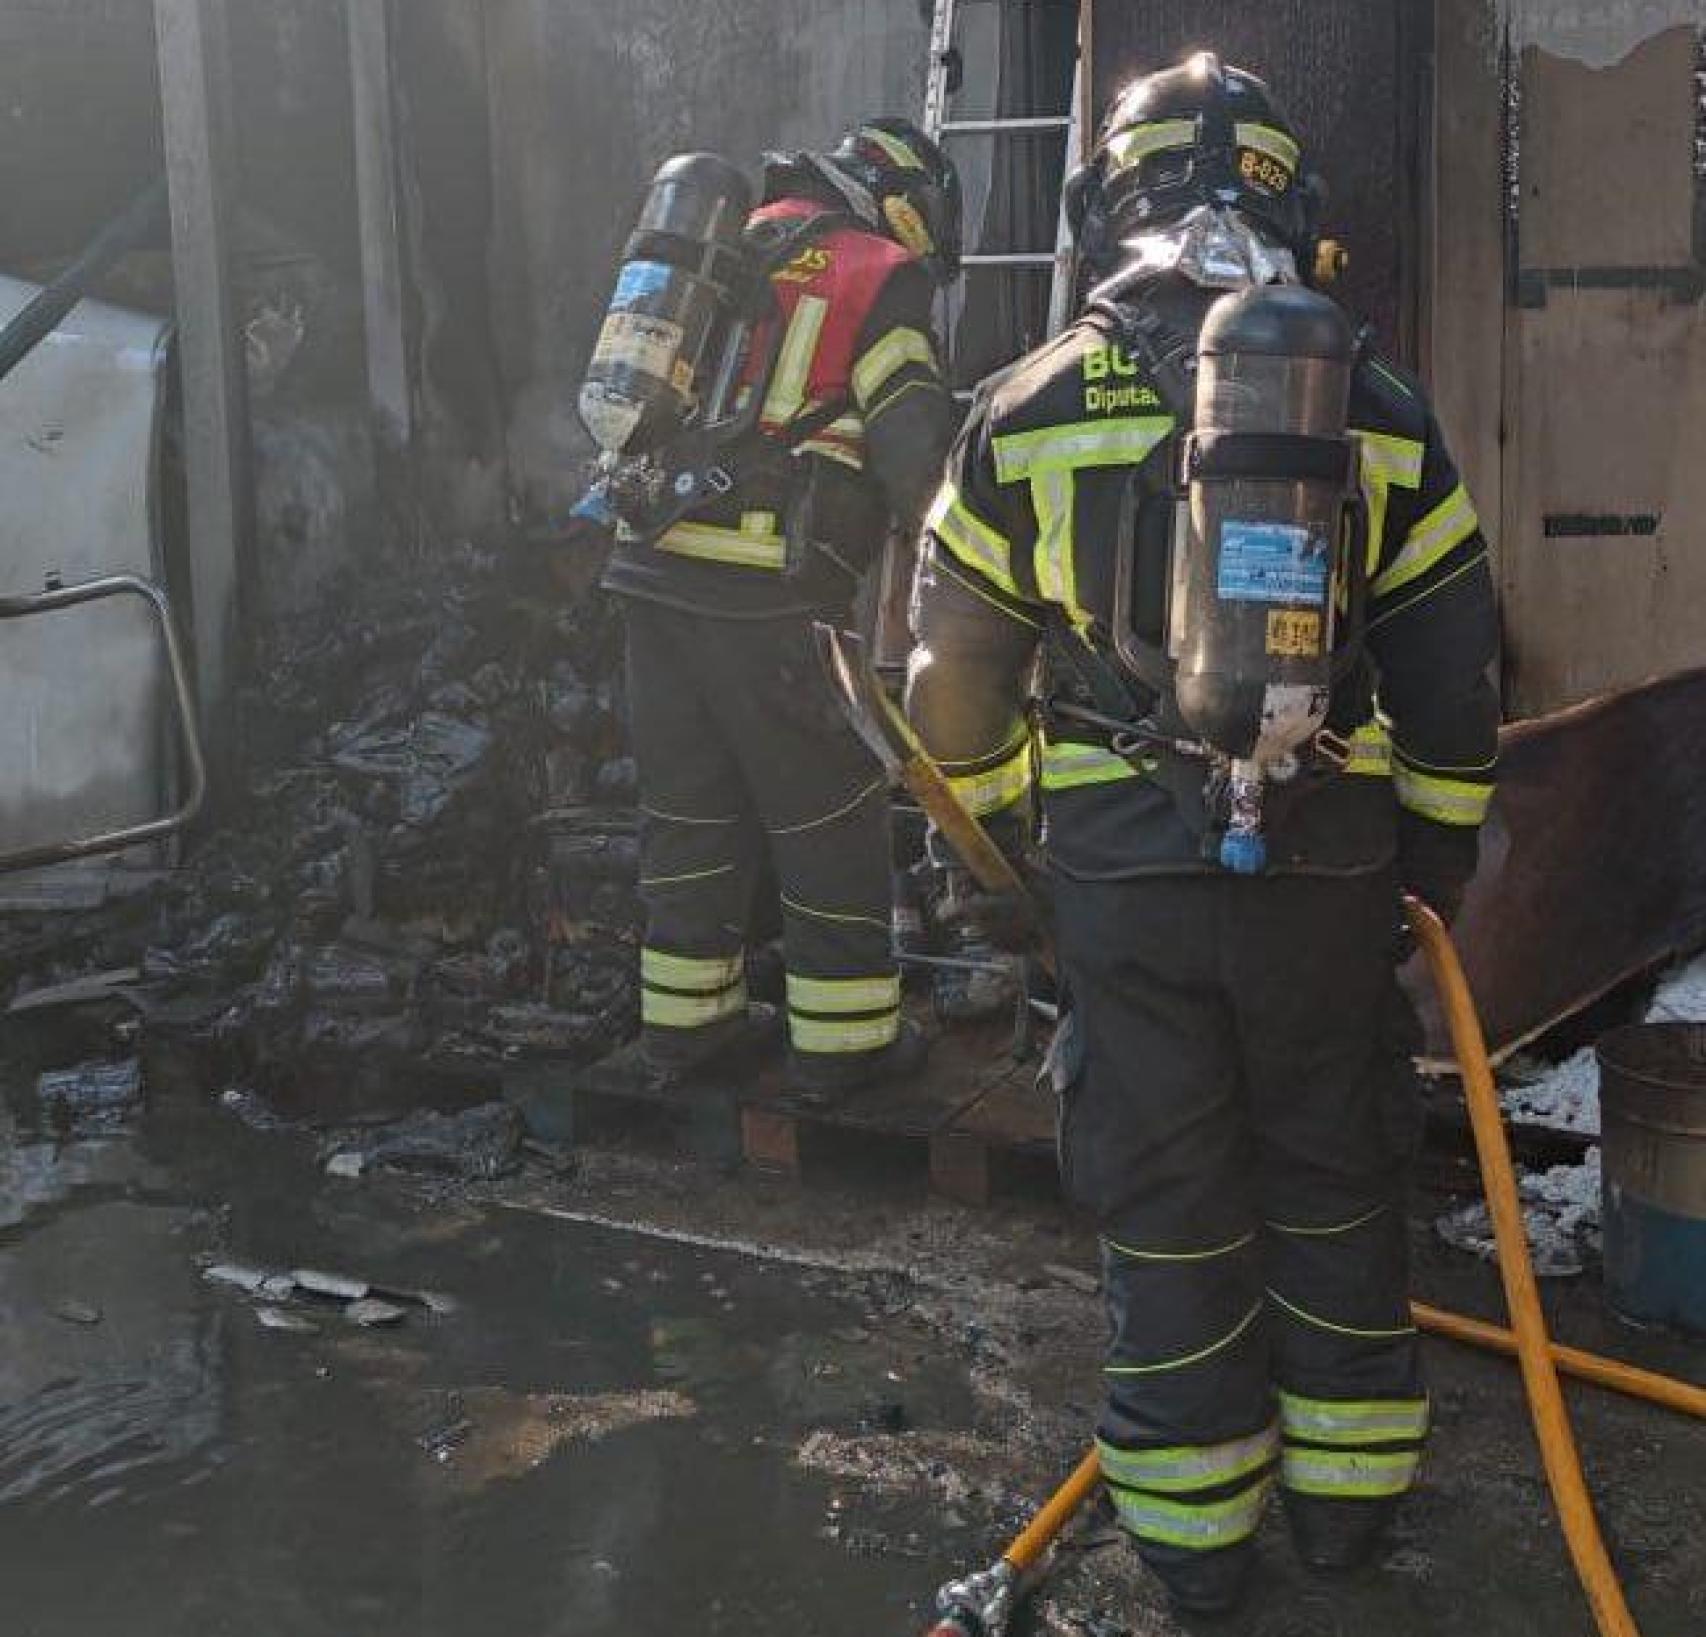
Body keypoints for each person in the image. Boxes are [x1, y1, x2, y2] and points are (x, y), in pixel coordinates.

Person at [905, 54, 1499, 1615]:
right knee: (1330, 1160)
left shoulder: (1020, 408)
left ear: (1112, 205)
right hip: (1323, 864)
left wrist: (995, 863)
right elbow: (1451, 675)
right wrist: (1428, 868)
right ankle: (1350, 1505)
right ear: (1292, 209)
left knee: (1167, 1190)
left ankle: (1189, 1536)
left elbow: (947, 691)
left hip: (1120, 878)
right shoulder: (1367, 402)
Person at [598, 119, 960, 1094]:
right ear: (900, 202)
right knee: (826, 814)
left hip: (647, 575)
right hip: (769, 594)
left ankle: (687, 1029)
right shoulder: (877, 274)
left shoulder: (723, 243)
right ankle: (846, 1049)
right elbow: (916, 456)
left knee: (687, 811)